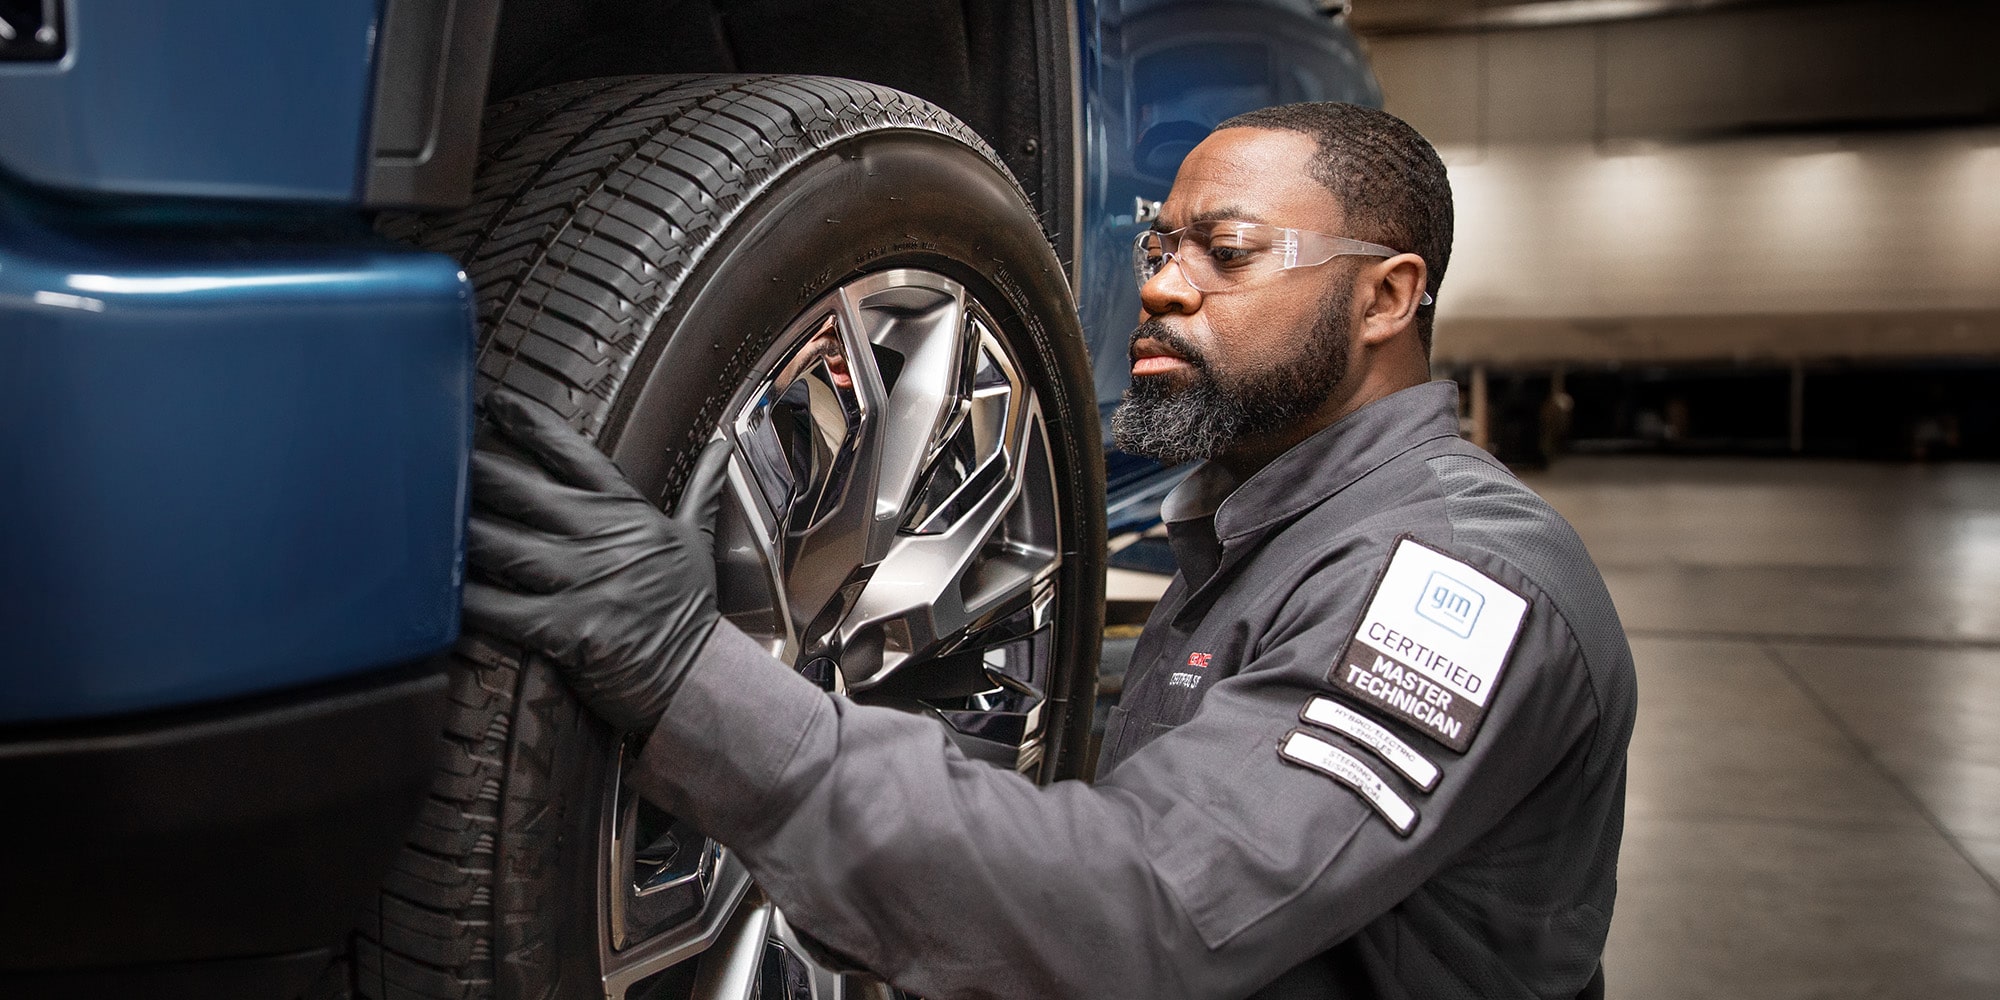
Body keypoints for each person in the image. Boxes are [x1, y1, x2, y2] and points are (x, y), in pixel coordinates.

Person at [466, 102, 1637, 1000]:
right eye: (1157, 243)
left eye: (1226, 251)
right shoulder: (1264, 523)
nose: (1162, 286)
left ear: (1385, 297)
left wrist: (689, 677)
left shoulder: (1458, 581)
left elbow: (1148, 917)